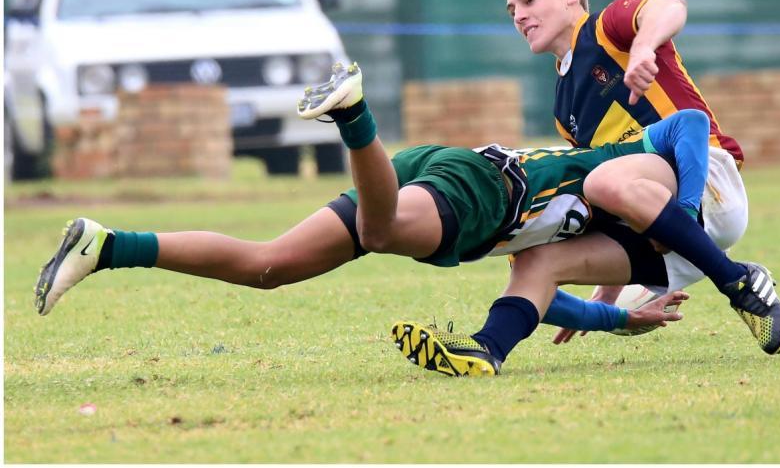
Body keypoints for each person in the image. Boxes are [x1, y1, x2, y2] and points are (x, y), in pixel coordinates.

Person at [34, 63, 704, 371]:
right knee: (381, 232)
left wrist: (619, 316)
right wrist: (700, 232)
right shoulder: (622, 181)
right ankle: (353, 115)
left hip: (439, 173)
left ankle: (107, 244)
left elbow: (535, 300)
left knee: (269, 265)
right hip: (481, 188)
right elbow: (689, 126)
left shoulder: (578, 244)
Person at [395, 0, 780, 377]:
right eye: (511, 9)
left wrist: (642, 48)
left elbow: (671, 6)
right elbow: (614, 203)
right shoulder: (563, 106)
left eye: (529, 0)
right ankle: (486, 349)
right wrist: (607, 300)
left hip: (708, 187)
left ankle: (738, 285)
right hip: (671, 235)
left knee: (599, 181)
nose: (519, 16)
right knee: (534, 260)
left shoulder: (608, 28)